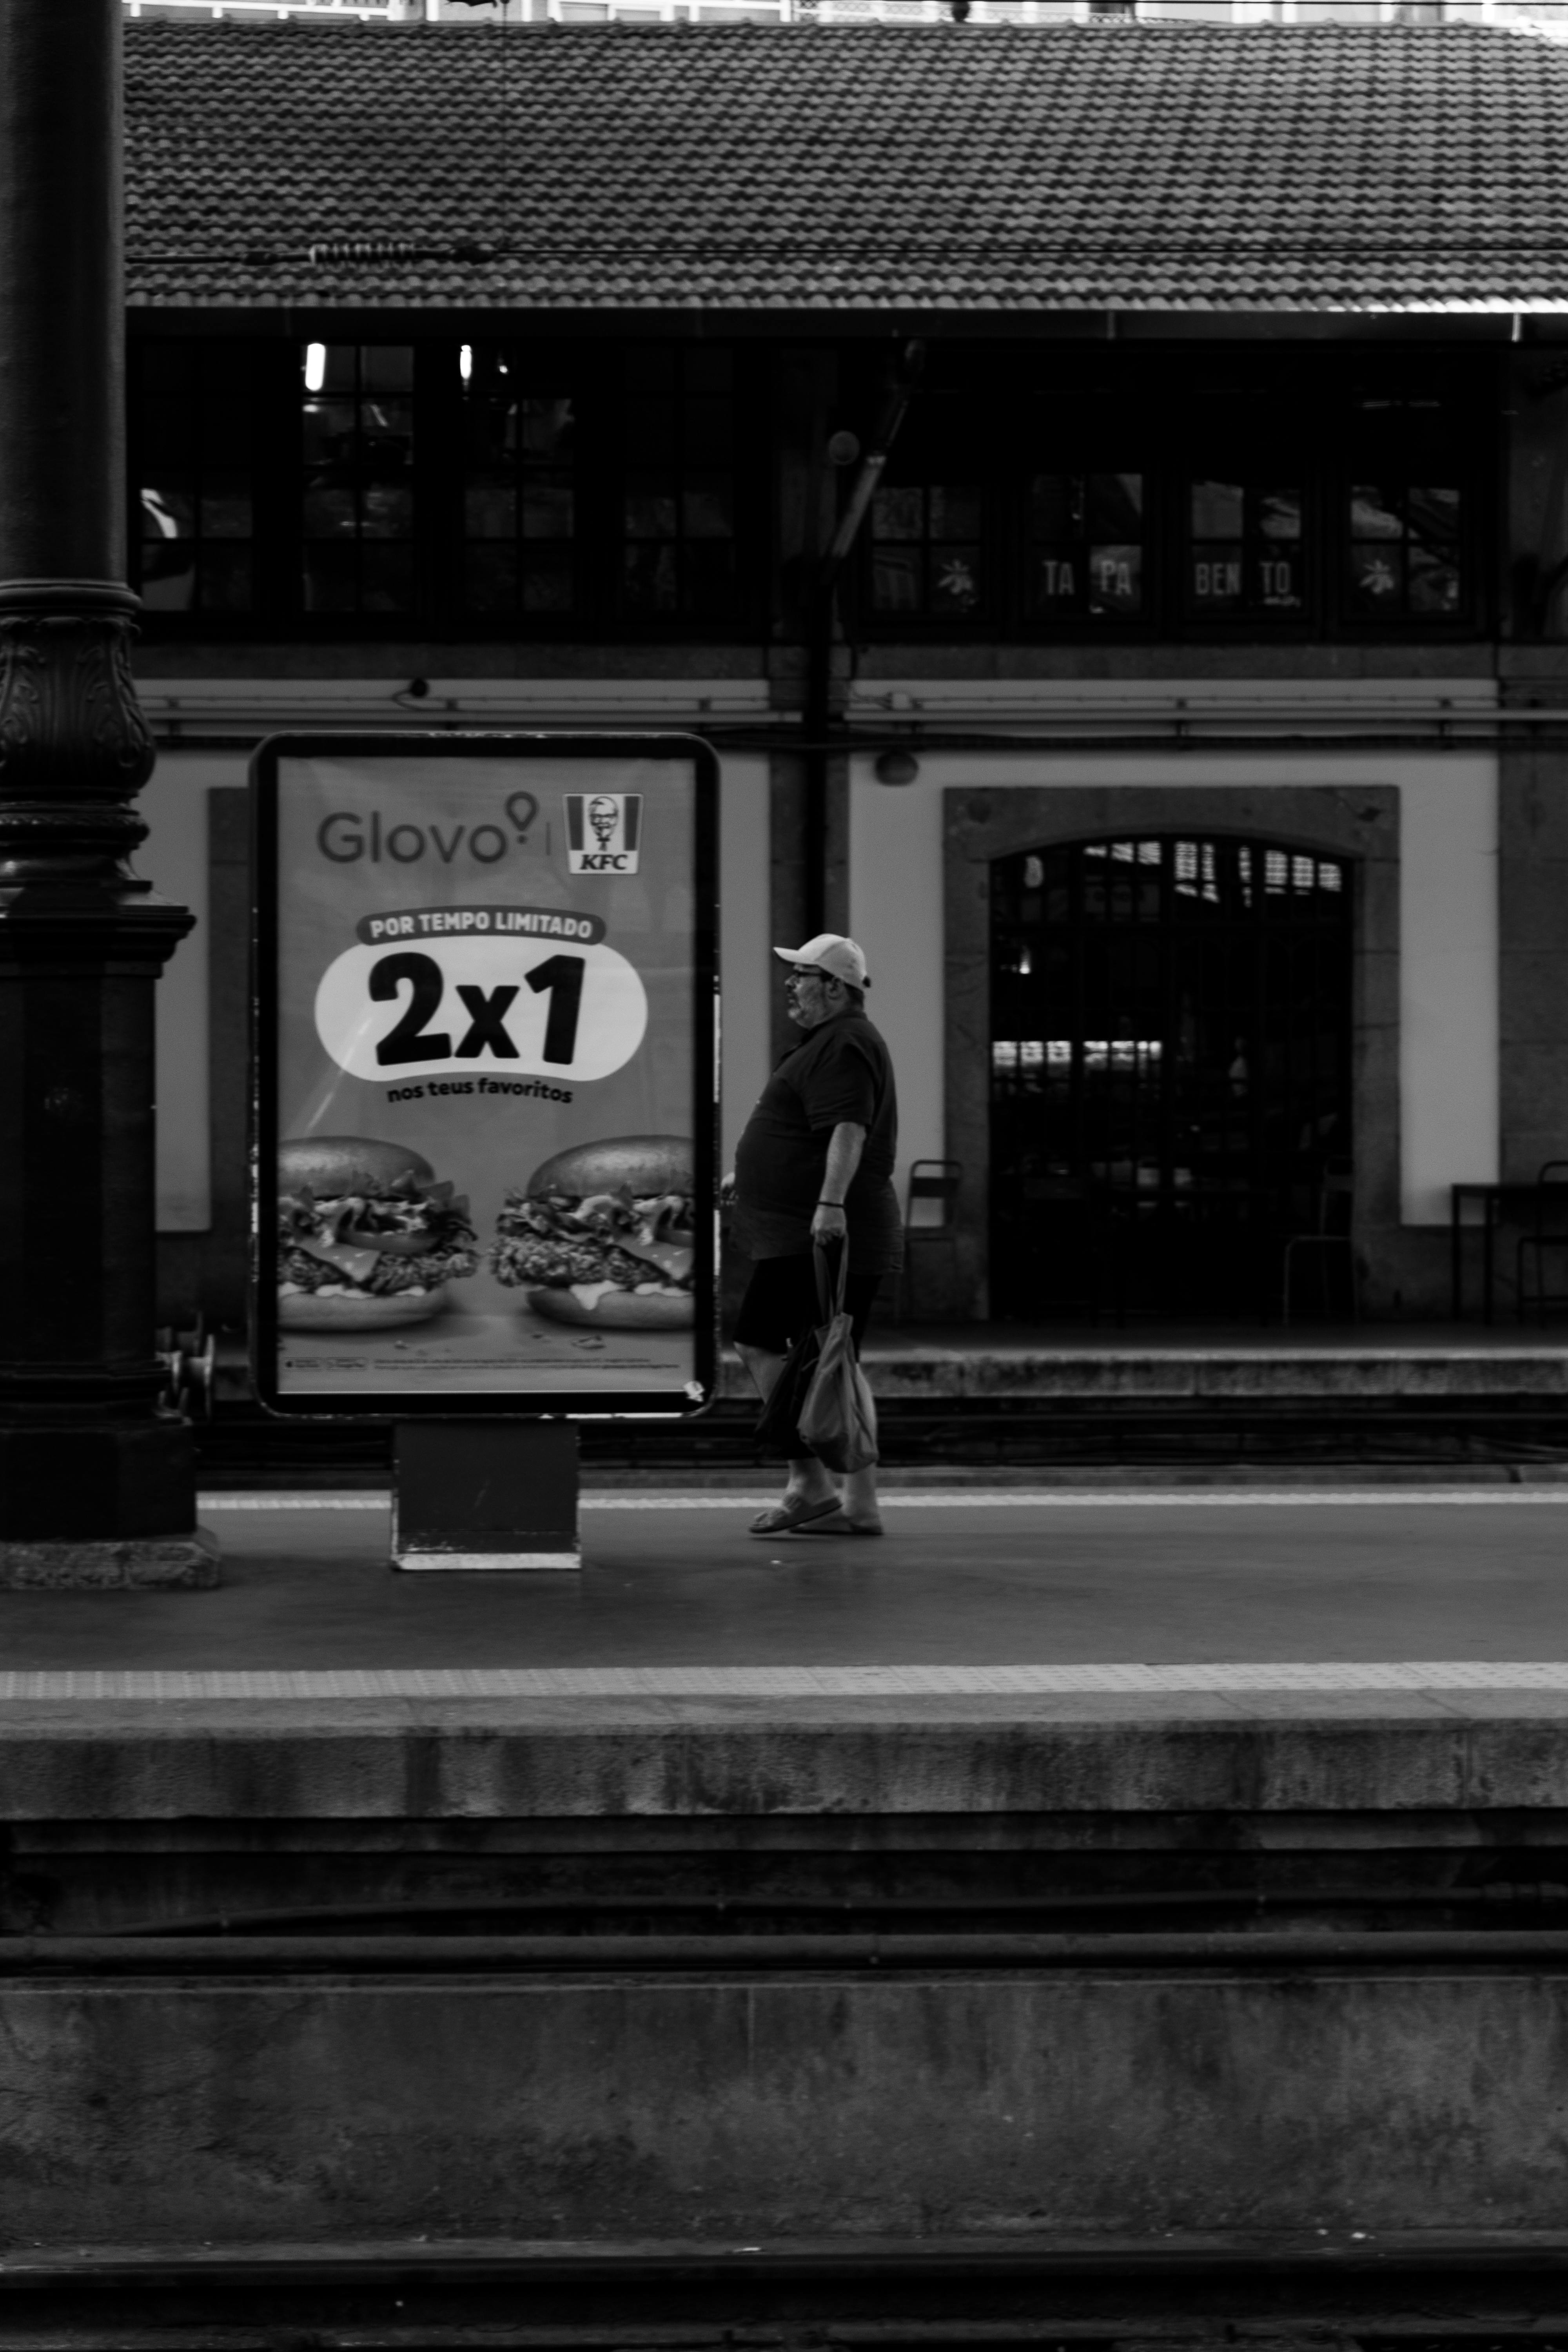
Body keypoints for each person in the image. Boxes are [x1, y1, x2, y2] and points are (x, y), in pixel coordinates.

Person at [722, 933, 902, 1537]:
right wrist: (746, 1172)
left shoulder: (845, 1042)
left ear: (834, 986)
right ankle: (852, 1499)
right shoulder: (833, 1042)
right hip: (814, 1229)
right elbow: (808, 1128)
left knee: (762, 1342)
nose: (790, 986)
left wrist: (829, 1203)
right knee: (834, 1359)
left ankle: (814, 1485)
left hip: (819, 1232)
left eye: (801, 975)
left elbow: (848, 1128)